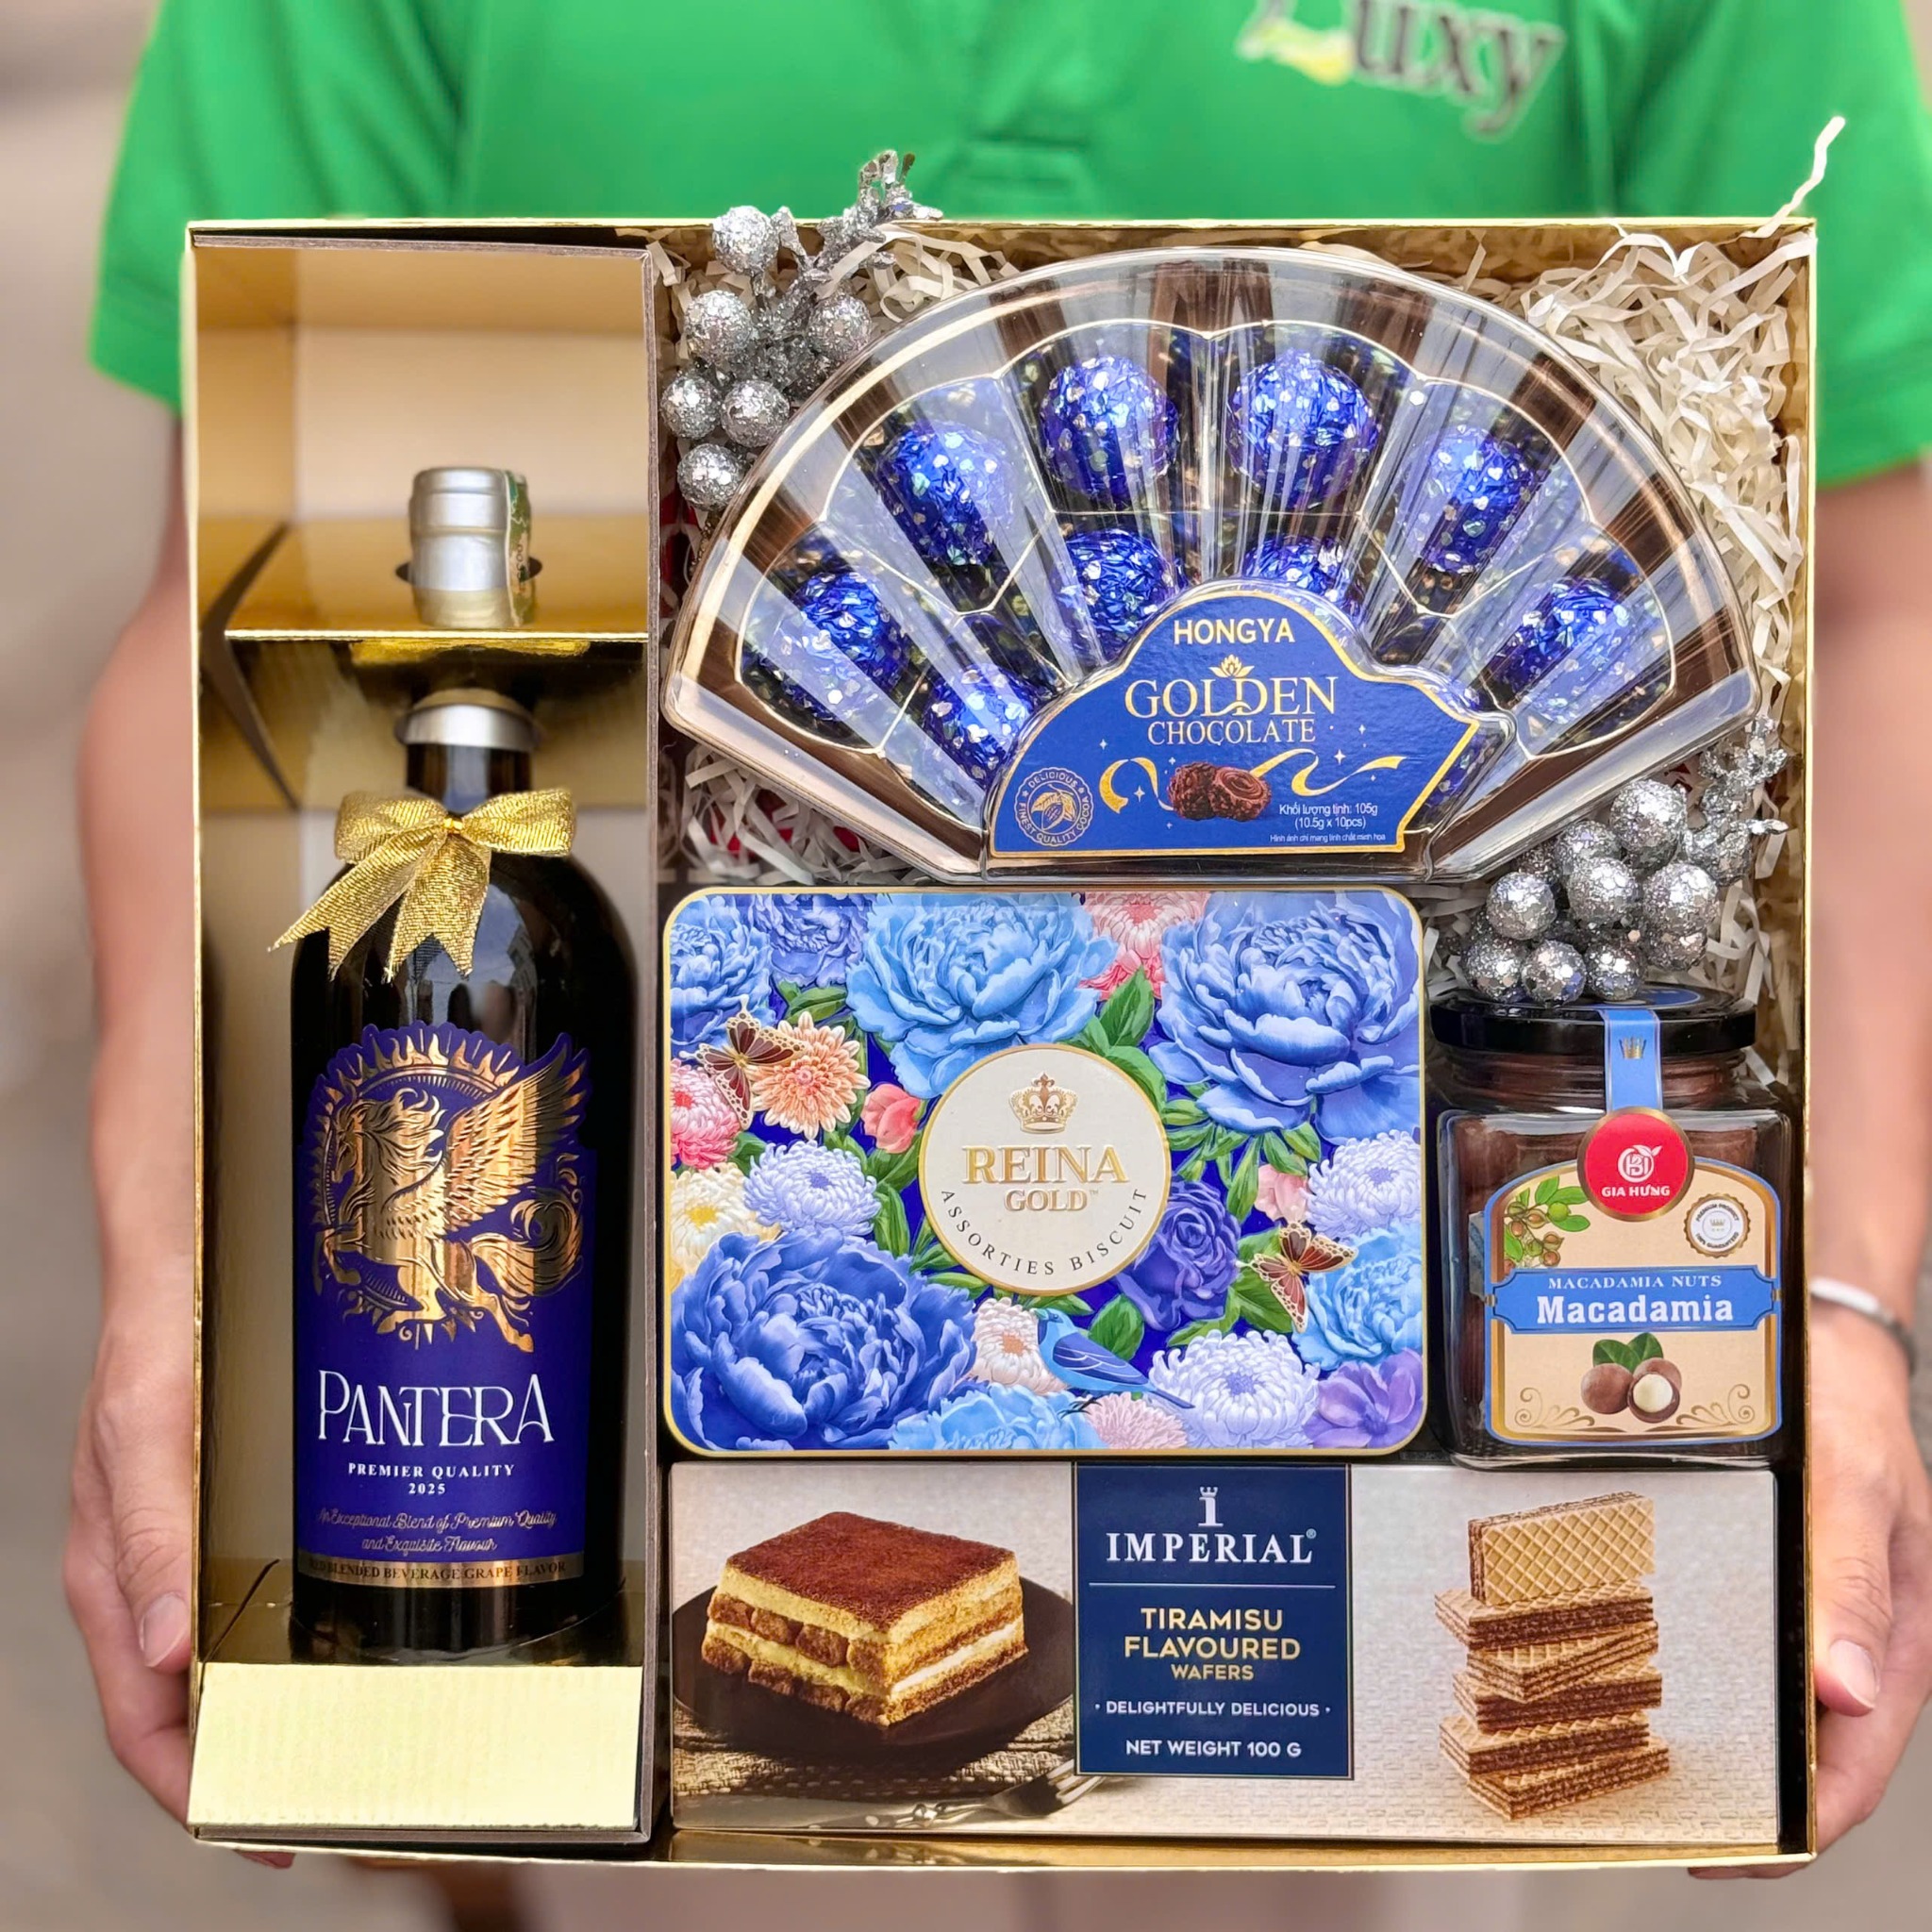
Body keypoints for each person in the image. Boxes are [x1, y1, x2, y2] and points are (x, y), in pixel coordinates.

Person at [73, 0, 1932, 1882]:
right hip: (645, 1540)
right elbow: (211, 602)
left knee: (1300, 1823)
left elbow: (1869, 611)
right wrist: (174, 1281)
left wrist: (1842, 1300)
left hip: (1341, 1605)